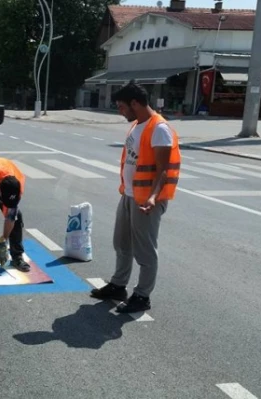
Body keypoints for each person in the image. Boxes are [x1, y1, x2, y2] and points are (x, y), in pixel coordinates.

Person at [90, 81, 181, 313]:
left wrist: (152, 198)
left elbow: (163, 168)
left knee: (145, 250)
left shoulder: (159, 128)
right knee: (121, 243)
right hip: (130, 195)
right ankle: (119, 285)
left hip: (147, 200)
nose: (120, 111)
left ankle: (142, 296)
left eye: (121, 107)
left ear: (135, 103)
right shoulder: (137, 125)